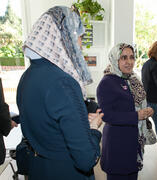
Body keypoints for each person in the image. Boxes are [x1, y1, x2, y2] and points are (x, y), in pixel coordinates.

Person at [16, 6, 103, 180]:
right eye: (79, 36)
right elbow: (86, 159)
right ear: (64, 37)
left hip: (39, 169)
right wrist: (94, 128)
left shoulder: (26, 77)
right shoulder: (63, 83)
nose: (80, 44)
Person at [97, 43, 153, 180]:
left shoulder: (133, 79)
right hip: (117, 144)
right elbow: (107, 115)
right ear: (115, 59)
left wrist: (147, 111)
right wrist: (137, 116)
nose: (129, 62)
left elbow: (137, 103)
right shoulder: (107, 82)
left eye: (132, 57)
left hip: (134, 142)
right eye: (123, 58)